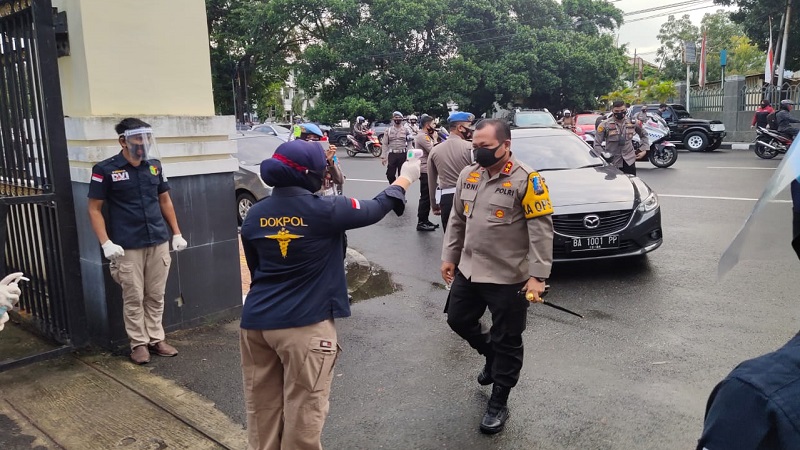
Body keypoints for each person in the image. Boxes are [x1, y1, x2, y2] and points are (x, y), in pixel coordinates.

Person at [239, 139, 421, 450]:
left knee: (263, 411)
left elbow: (256, 270)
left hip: (256, 325)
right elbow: (378, 207)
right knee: (304, 413)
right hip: (306, 327)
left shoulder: (255, 214)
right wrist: (407, 176)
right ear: (311, 174)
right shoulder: (327, 209)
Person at [441, 118, 554, 435]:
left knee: (508, 339)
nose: (478, 152)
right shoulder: (469, 174)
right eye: (474, 146)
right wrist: (449, 256)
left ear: (506, 145)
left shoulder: (528, 180)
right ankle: (491, 355)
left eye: (485, 147)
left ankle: (499, 401)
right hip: (470, 268)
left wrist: (538, 277)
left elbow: (541, 232)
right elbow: (457, 220)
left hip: (509, 277)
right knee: (458, 320)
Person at [88, 118, 187, 365]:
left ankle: (156, 339)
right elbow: (94, 209)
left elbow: (165, 200)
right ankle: (138, 344)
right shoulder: (105, 169)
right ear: (123, 141)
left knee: (156, 294)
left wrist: (176, 232)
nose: (143, 144)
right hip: (127, 244)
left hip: (157, 240)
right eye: (137, 139)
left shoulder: (154, 167)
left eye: (146, 138)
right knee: (133, 296)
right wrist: (105, 242)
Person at [427, 111, 475, 232]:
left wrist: (434, 204)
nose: (472, 130)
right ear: (460, 128)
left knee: (450, 240)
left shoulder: (435, 150)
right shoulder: (471, 148)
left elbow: (431, 181)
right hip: (469, 198)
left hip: (446, 200)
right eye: (469, 126)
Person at [594, 100, 650, 176]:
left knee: (631, 184)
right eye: (617, 111)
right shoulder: (604, 125)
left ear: (626, 110)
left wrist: (644, 149)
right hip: (612, 162)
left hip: (629, 160)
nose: (620, 113)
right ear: (612, 110)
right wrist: (604, 155)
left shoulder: (633, 122)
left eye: (622, 110)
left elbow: (644, 134)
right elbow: (597, 144)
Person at [414, 114, 439, 232]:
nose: (435, 126)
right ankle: (421, 222)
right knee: (425, 197)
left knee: (429, 196)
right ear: (428, 125)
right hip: (425, 170)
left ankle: (425, 219)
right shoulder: (423, 137)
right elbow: (433, 150)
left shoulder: (426, 136)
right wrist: (434, 137)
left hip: (428, 169)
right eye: (433, 124)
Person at [381, 111, 410, 183]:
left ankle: (400, 190)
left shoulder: (406, 130)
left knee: (402, 175)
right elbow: (384, 143)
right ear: (393, 119)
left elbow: (410, 144)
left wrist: (410, 157)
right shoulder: (388, 130)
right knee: (390, 174)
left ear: (402, 119)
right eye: (396, 117)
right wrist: (383, 156)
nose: (397, 119)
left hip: (402, 154)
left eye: (399, 117)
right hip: (392, 154)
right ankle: (393, 186)